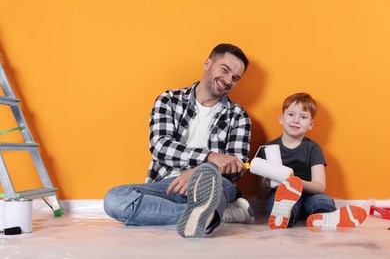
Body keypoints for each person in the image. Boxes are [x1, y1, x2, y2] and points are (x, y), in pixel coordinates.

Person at [104, 43, 255, 238]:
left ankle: (204, 211)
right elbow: (160, 146)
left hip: (215, 185)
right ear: (208, 63)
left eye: (235, 78)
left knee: (222, 185)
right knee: (115, 200)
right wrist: (209, 157)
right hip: (168, 184)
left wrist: (197, 173)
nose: (227, 80)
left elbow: (236, 166)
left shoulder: (238, 116)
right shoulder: (169, 100)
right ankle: (213, 215)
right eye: (224, 70)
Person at [259, 92, 366, 230]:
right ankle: (286, 217)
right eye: (291, 114)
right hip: (284, 197)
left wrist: (294, 183)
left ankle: (326, 217)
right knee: (276, 203)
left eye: (303, 117)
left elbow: (319, 186)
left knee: (322, 201)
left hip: (310, 194)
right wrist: (266, 182)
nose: (296, 120)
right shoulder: (268, 148)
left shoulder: (313, 148)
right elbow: (261, 191)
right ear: (281, 118)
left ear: (310, 124)